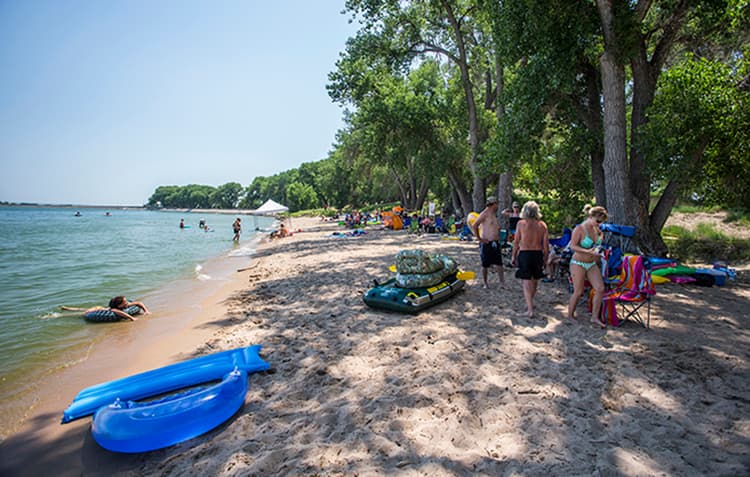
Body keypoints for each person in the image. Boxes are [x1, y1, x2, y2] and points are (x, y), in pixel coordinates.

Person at [567, 205, 608, 327]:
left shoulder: (597, 229)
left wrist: (599, 251)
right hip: (578, 262)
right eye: (598, 221)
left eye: (601, 222)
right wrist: (587, 251)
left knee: (600, 288)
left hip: (591, 263)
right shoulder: (580, 229)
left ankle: (594, 317)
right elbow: (573, 246)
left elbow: (598, 244)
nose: (599, 224)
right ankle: (570, 315)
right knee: (578, 291)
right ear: (590, 217)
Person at [511, 201, 549, 318]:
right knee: (535, 280)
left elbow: (516, 242)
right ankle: (530, 303)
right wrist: (545, 258)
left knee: (526, 282)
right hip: (537, 254)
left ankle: (530, 309)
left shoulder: (521, 224)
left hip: (525, 253)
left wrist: (513, 255)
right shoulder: (542, 225)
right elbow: (546, 246)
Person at [471, 196, 505, 288]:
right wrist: (480, 239)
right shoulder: (484, 214)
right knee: (485, 264)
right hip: (487, 242)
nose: (497, 206)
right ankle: (485, 283)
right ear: (492, 204)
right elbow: (475, 225)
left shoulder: (493, 214)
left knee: (499, 263)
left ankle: (502, 282)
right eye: (496, 204)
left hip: (495, 242)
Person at [61, 296, 150, 321]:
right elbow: (119, 313)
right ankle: (64, 312)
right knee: (82, 312)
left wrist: (146, 311)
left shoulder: (127, 305)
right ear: (119, 305)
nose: (127, 303)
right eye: (125, 302)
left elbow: (138, 303)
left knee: (82, 309)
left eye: (126, 301)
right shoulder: (113, 309)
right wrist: (132, 318)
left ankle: (66, 309)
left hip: (101, 308)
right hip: (97, 310)